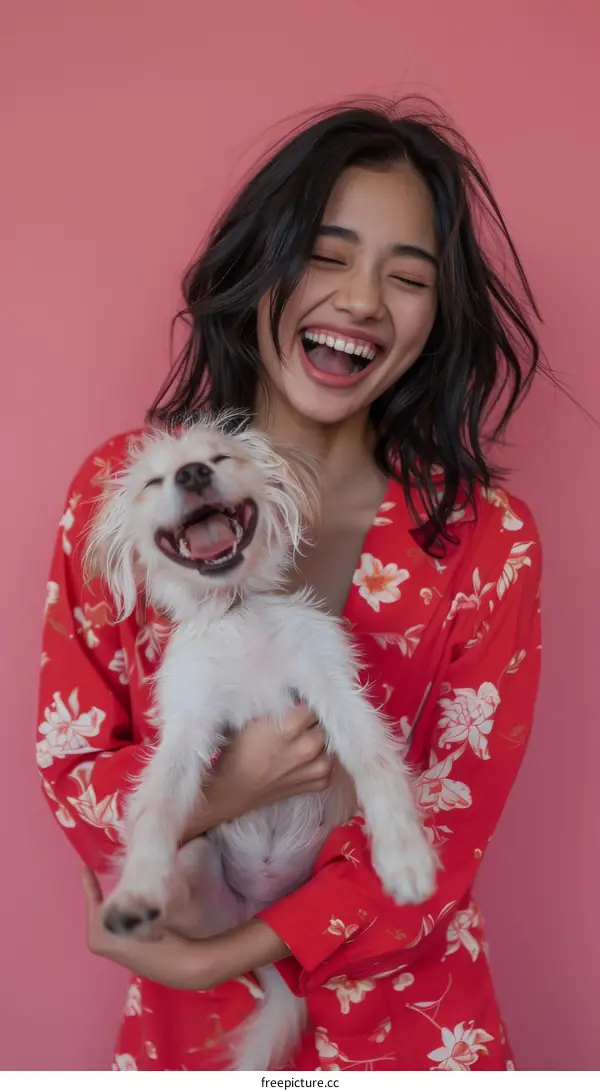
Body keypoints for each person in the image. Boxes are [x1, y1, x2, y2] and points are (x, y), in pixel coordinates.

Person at [37, 99, 542, 1072]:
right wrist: (223, 795)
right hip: (193, 1029)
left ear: (437, 318)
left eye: (407, 277)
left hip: (413, 1025)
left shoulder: (488, 540)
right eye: (326, 252)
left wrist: (226, 952)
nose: (360, 299)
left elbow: (449, 817)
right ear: (258, 264)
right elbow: (72, 761)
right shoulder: (124, 496)